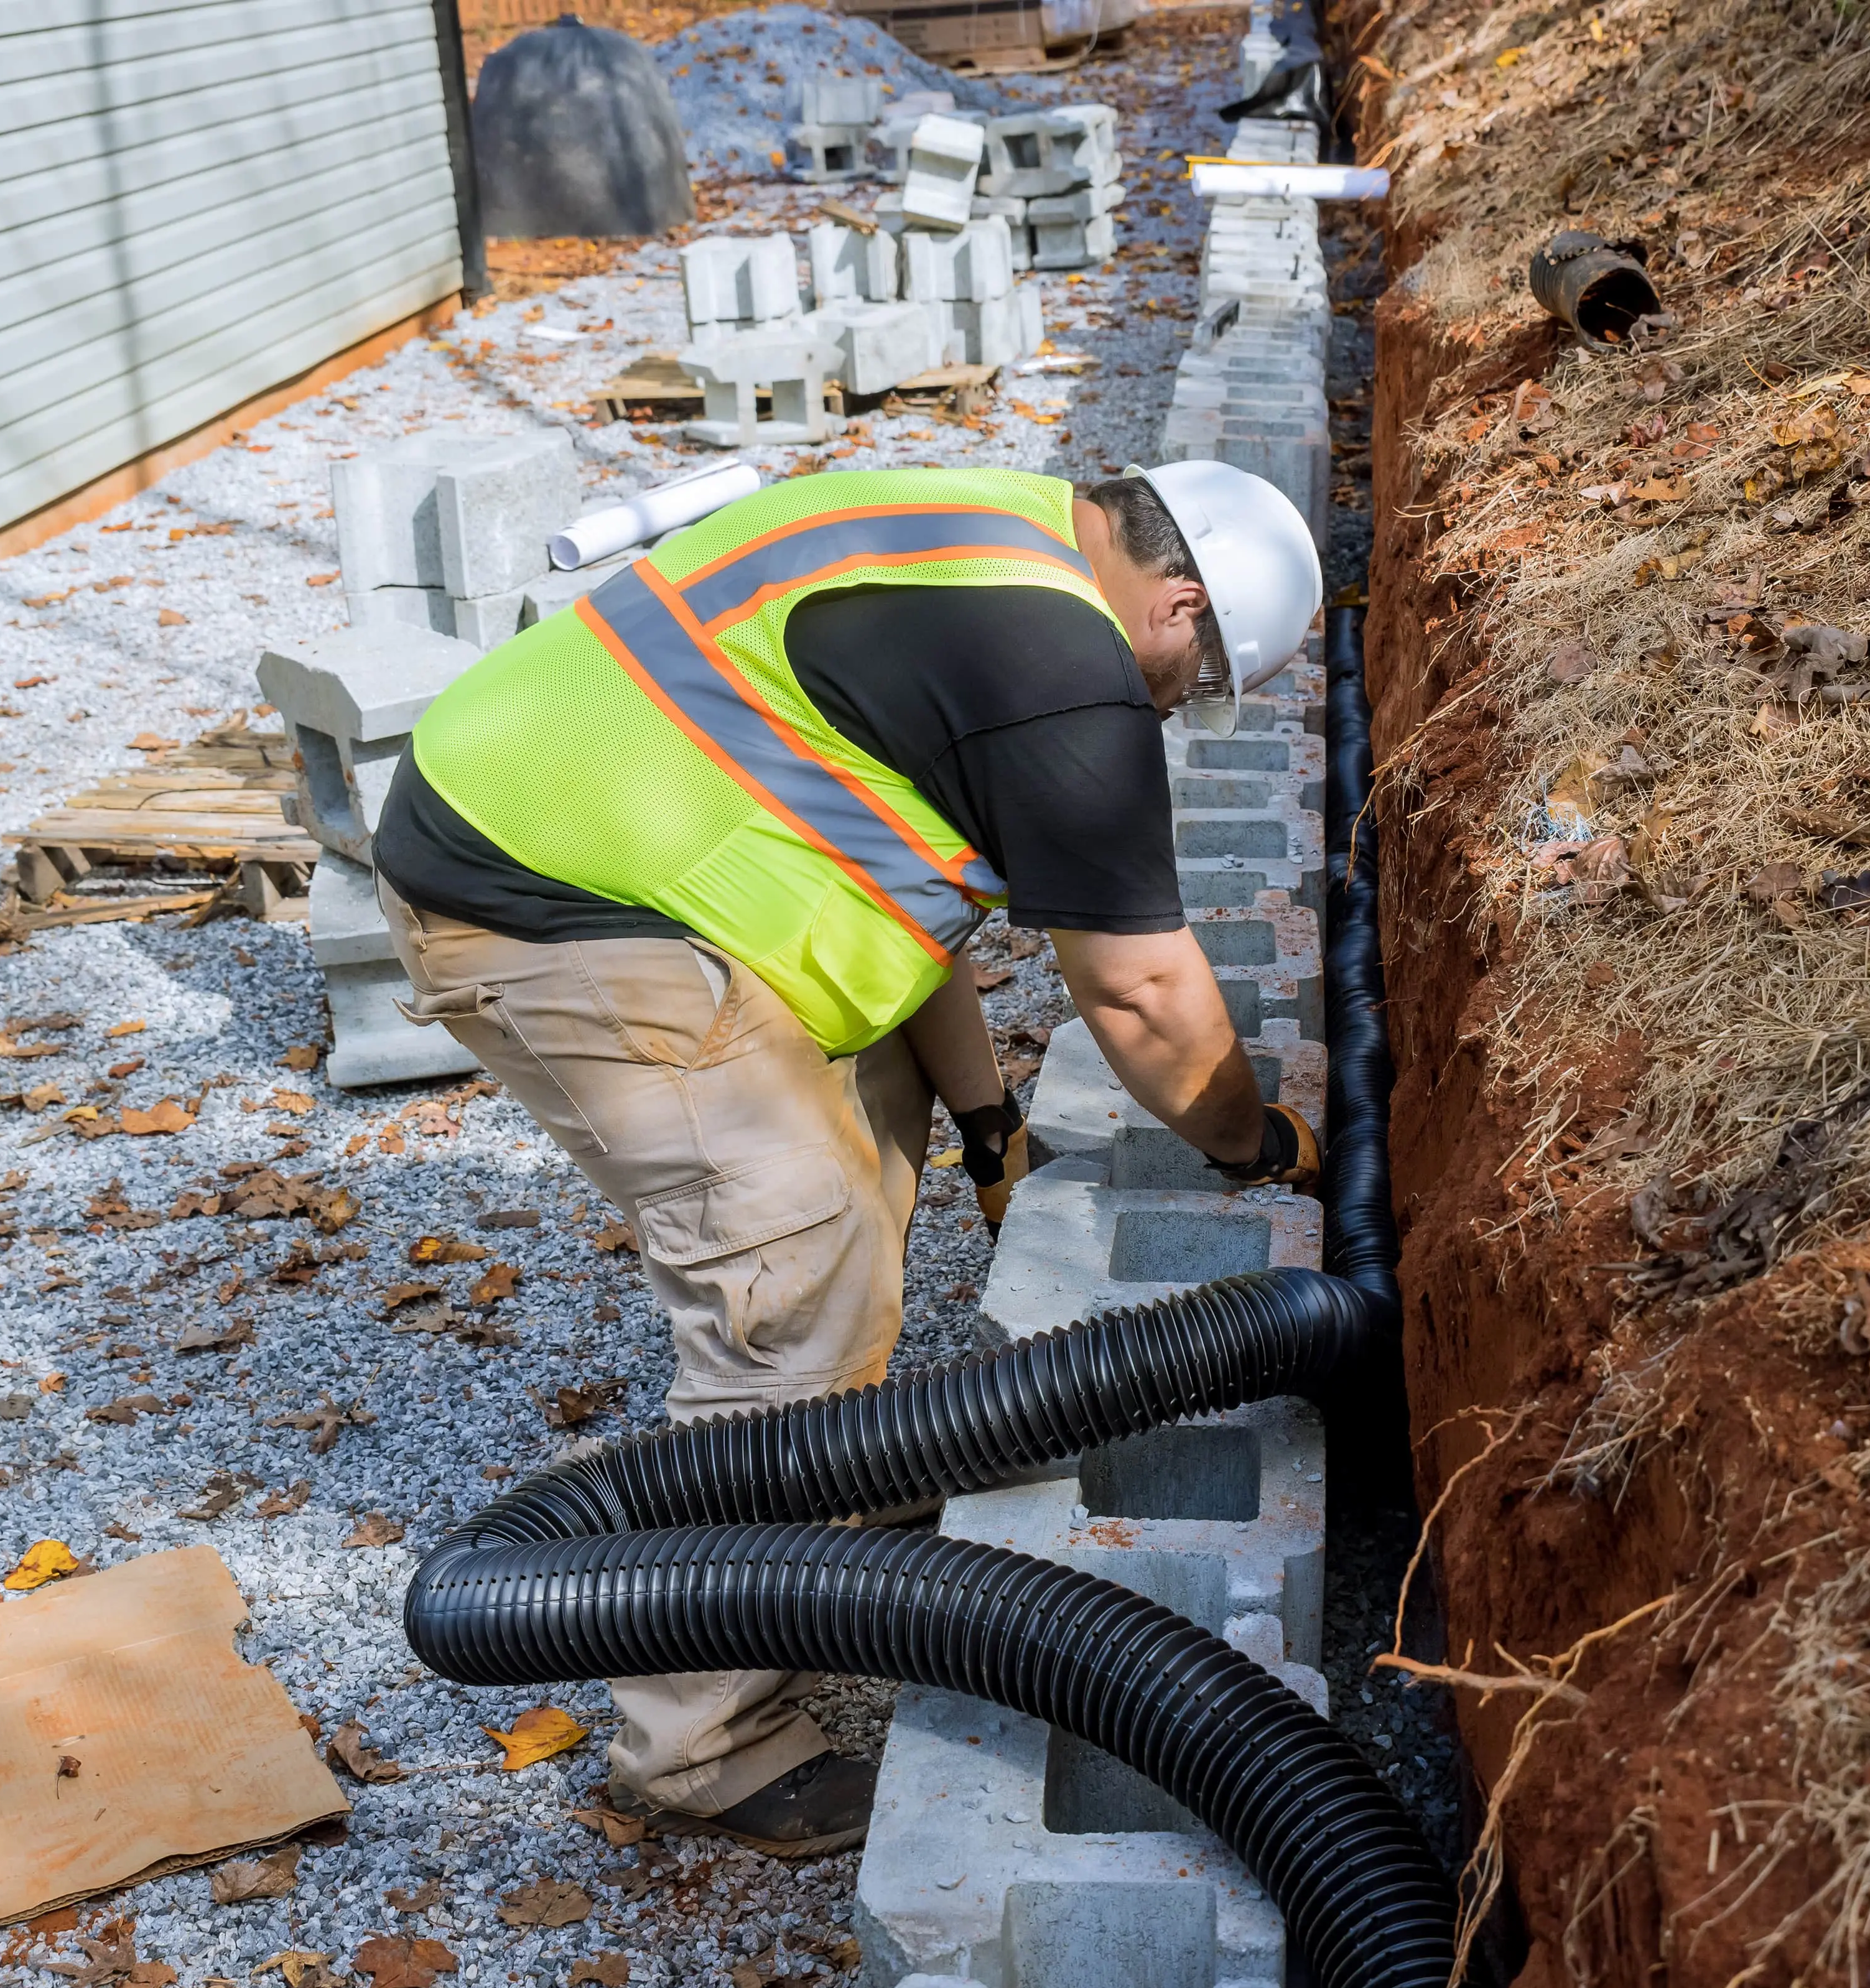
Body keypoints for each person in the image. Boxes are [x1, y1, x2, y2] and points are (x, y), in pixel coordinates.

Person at [370, 460, 1324, 1854]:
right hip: (547, 901)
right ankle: (703, 1740)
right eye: (1200, 674)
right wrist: (1262, 1141)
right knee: (791, 1273)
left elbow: (894, 876)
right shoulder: (1064, 667)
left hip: (612, 838)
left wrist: (989, 1122)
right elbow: (1141, 994)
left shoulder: (995, 531)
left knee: (871, 1152)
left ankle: (841, 1483)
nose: (1177, 703)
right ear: (1177, 601)